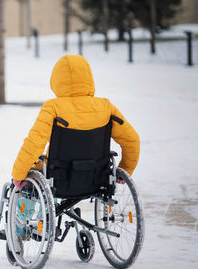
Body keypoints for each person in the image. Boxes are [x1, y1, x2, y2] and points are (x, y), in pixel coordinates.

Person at [11, 55, 140, 190]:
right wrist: (126, 168)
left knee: (28, 180)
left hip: (58, 177)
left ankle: (25, 211)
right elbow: (131, 139)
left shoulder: (53, 107)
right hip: (97, 176)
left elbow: (35, 142)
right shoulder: (106, 106)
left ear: (56, 80)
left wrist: (18, 174)